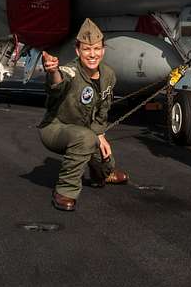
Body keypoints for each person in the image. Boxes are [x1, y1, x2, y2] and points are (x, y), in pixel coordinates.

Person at [38, 18, 129, 211]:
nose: (92, 54)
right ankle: (65, 191)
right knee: (86, 138)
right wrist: (53, 71)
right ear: (78, 51)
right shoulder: (70, 71)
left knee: (105, 158)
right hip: (56, 128)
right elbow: (58, 83)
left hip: (86, 131)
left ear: (103, 50)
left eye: (96, 49)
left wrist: (100, 133)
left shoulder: (109, 75)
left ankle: (102, 174)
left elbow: (104, 108)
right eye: (87, 49)